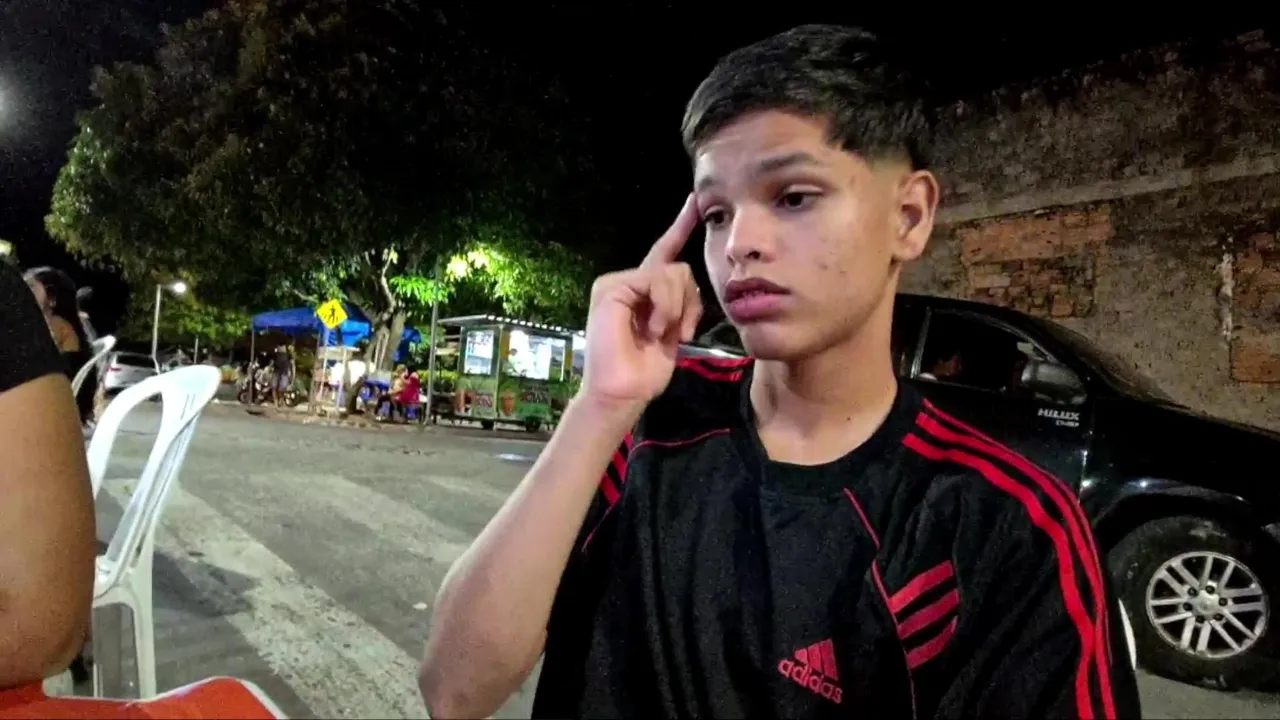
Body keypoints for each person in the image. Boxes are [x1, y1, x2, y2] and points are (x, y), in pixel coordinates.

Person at [419, 25, 1140, 719]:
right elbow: (454, 692)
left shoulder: (1003, 527)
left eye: (793, 197)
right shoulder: (648, 426)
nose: (740, 243)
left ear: (910, 217)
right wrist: (600, 404)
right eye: (716, 214)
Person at [0, 262, 97, 688]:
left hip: (58, 411)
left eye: (34, 288)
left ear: (52, 297)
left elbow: (37, 626)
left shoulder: (56, 328)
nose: (28, 290)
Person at [24, 267, 96, 425]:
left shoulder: (55, 324)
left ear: (51, 297)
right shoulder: (58, 323)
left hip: (52, 404)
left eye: (31, 287)